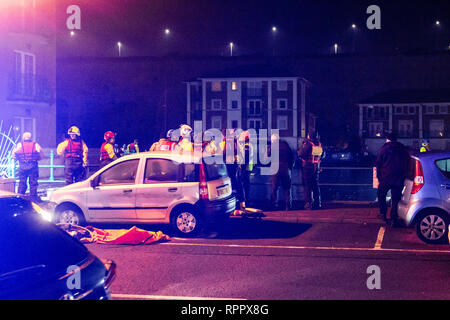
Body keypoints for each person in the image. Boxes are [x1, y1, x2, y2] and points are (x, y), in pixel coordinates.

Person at [376, 132, 410, 227]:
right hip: (398, 178)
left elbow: (378, 163)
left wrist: (379, 177)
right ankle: (393, 218)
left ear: (388, 139)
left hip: (385, 177)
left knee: (381, 194)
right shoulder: (403, 149)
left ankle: (383, 213)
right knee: (396, 199)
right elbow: (407, 163)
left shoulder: (384, 149)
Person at [11, 132, 42, 198]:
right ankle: (33, 197)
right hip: (33, 166)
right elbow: (40, 154)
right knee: (33, 183)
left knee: (22, 182)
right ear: (30, 137)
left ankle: (20, 196)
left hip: (22, 166)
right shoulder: (35, 144)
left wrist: (18, 158)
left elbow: (13, 155)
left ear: (23, 137)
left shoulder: (19, 145)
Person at [299, 130, 324, 210]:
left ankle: (308, 204)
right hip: (316, 167)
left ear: (309, 136)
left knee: (307, 186)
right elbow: (323, 155)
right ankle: (318, 203)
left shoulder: (308, 144)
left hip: (307, 168)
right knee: (315, 186)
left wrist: (301, 148)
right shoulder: (319, 144)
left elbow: (301, 154)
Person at [270, 133, 294, 210]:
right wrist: (290, 167)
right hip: (285, 169)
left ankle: (274, 205)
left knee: (274, 188)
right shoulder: (286, 145)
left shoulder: (272, 147)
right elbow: (292, 157)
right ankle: (288, 206)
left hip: (275, 169)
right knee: (287, 188)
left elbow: (266, 157)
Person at [235, 130, 254, 210]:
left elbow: (245, 158)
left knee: (243, 185)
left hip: (245, 169)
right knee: (246, 185)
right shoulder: (250, 145)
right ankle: (247, 200)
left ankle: (245, 201)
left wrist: (241, 166)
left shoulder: (247, 146)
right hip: (248, 168)